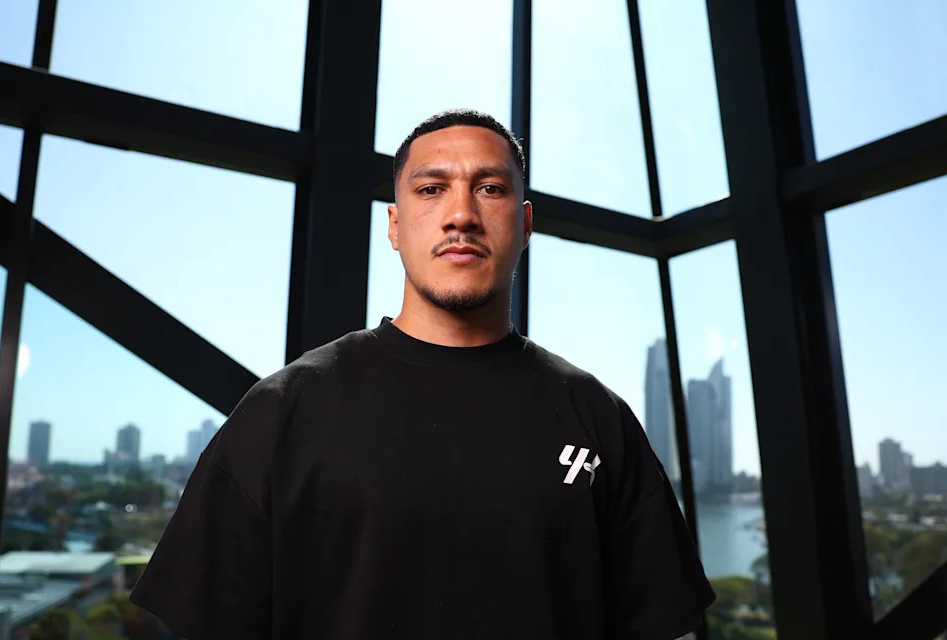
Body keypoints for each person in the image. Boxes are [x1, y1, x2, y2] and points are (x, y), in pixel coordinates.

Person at [130, 109, 715, 639]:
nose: (461, 215)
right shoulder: (282, 410)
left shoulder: (598, 418)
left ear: (526, 221)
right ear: (393, 224)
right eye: (431, 189)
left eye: (490, 189)